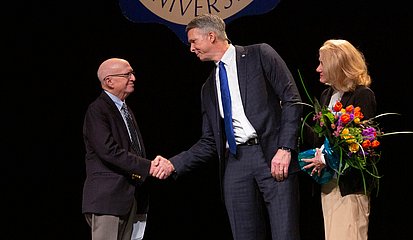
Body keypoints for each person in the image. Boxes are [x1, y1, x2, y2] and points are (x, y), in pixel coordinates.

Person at [155, 13, 303, 240]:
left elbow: (292, 100)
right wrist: (174, 164)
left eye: (194, 42)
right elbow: (209, 141)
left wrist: (285, 148)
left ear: (211, 36)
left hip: (272, 154)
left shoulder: (259, 54)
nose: (191, 49)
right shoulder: (208, 88)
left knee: (285, 233)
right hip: (236, 162)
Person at [82, 58, 172, 240]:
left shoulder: (125, 110)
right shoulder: (98, 110)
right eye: (127, 74)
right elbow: (108, 151)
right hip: (107, 199)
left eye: (132, 73)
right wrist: (149, 167)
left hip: (130, 197)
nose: (133, 78)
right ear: (109, 81)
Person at [301, 39, 377, 240]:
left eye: (322, 63)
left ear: (336, 65)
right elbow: (319, 138)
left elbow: (361, 146)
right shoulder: (328, 95)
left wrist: (325, 159)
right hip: (329, 185)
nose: (318, 69)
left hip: (349, 188)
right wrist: (295, 119)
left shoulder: (362, 95)